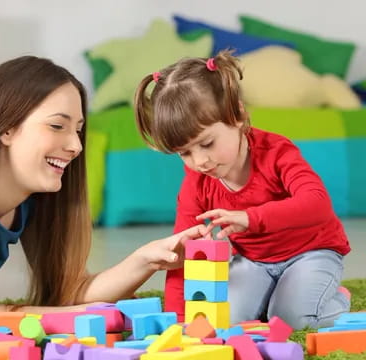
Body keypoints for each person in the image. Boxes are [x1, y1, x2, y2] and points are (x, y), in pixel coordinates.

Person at [0, 56, 210, 331]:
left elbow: (70, 290)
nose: (76, 146)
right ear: (6, 128)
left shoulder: (35, 199)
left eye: (79, 130)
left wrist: (147, 260)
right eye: (58, 126)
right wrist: (70, 319)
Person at [134, 50, 351, 329]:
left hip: (311, 252)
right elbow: (182, 253)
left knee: (290, 319)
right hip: (253, 262)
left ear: (236, 114)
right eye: (184, 153)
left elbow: (317, 204)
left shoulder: (276, 152)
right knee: (222, 320)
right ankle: (275, 298)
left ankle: (335, 300)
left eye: (207, 143)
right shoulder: (196, 180)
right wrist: (179, 320)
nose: (199, 162)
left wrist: (251, 218)